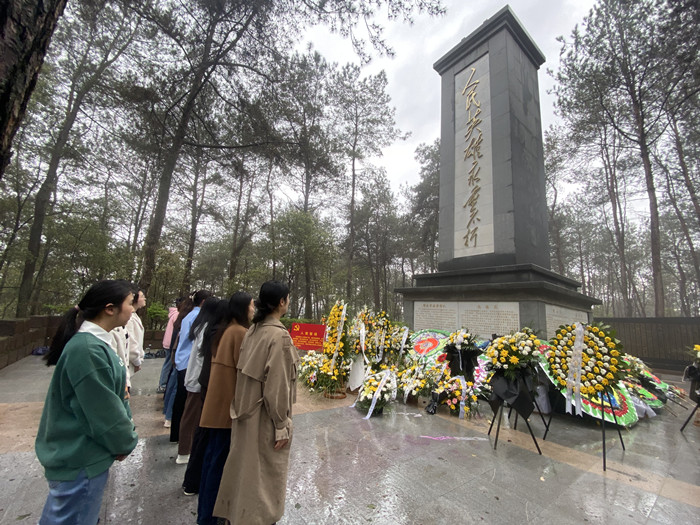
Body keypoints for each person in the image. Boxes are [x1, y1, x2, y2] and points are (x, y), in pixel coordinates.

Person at [35, 280, 138, 525]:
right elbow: (104, 411)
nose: (133, 309)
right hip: (80, 457)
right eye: (130, 304)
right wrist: (125, 442)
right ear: (110, 308)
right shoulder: (88, 350)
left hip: (82, 455)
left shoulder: (94, 343)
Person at [214, 281, 299, 525]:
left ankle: (236, 516)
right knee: (262, 480)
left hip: (246, 414)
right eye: (287, 298)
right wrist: (281, 425)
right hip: (264, 419)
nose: (288, 302)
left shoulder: (253, 330)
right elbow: (277, 387)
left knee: (245, 473)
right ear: (281, 302)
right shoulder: (279, 336)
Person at [196, 291, 253, 524]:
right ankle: (210, 517)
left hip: (216, 407)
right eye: (251, 306)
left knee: (212, 460)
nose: (254, 310)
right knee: (219, 464)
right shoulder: (239, 333)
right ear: (243, 308)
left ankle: (206, 514)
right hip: (226, 411)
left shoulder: (224, 329)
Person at [177, 297, 228, 465]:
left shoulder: (200, 325)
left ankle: (187, 449)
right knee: (191, 415)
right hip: (198, 377)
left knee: (191, 413)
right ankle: (184, 451)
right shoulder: (206, 328)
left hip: (193, 374)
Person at [171, 290, 212, 443]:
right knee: (189, 406)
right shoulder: (199, 317)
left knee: (181, 401)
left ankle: (176, 435)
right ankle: (184, 440)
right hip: (190, 362)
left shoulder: (188, 315)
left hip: (182, 360)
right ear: (204, 302)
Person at [163, 296, 194, 427]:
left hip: (177, 355)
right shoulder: (189, 318)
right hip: (182, 358)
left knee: (173, 384)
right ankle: (169, 416)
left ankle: (167, 412)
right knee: (176, 387)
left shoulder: (182, 317)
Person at [158, 298, 182, 393]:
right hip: (171, 343)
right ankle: (163, 384)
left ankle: (163, 384)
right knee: (168, 364)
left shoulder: (173, 314)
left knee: (167, 363)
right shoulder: (177, 315)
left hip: (167, 342)